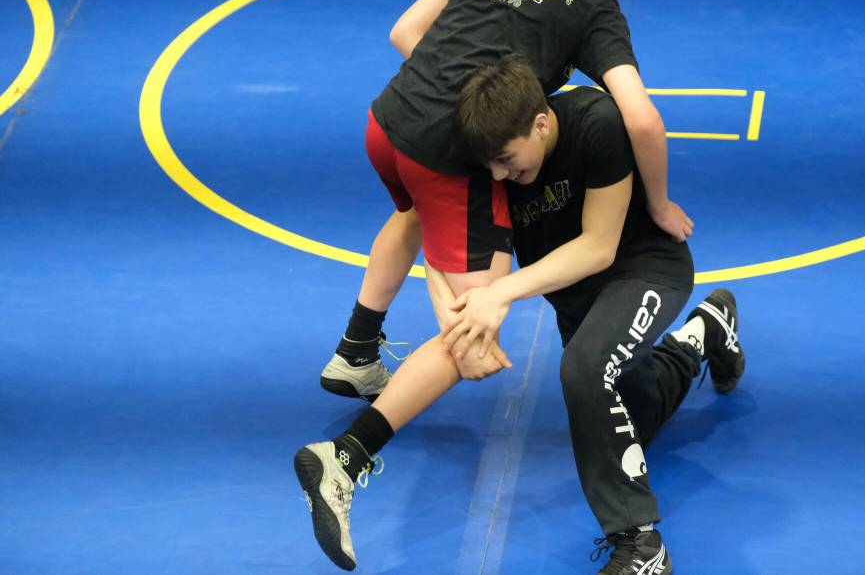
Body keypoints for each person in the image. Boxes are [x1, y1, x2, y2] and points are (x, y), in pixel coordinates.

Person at [294, 56, 746, 573]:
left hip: (643, 271)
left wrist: (500, 292)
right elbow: (438, 239)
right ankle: (707, 330)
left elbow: (598, 248)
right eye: (491, 166)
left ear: (540, 122)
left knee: (584, 371)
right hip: (579, 299)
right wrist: (456, 319)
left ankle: (640, 545)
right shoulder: (492, 163)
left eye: (507, 160)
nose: (500, 175)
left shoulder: (595, 123)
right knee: (628, 420)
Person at [320, 0, 694, 403]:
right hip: (444, 155)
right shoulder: (593, 5)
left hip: (385, 123)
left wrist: (443, 91)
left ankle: (356, 351)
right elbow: (643, 120)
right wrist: (659, 204)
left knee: (412, 213)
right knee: (476, 326)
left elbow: (405, 31)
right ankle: (355, 450)